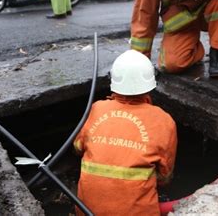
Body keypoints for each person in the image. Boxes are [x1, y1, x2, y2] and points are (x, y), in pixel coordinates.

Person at [74, 49, 177, 215]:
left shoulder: (96, 108)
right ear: (150, 83)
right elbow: (165, 177)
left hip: (85, 211)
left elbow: (78, 148)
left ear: (113, 81)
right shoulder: (163, 120)